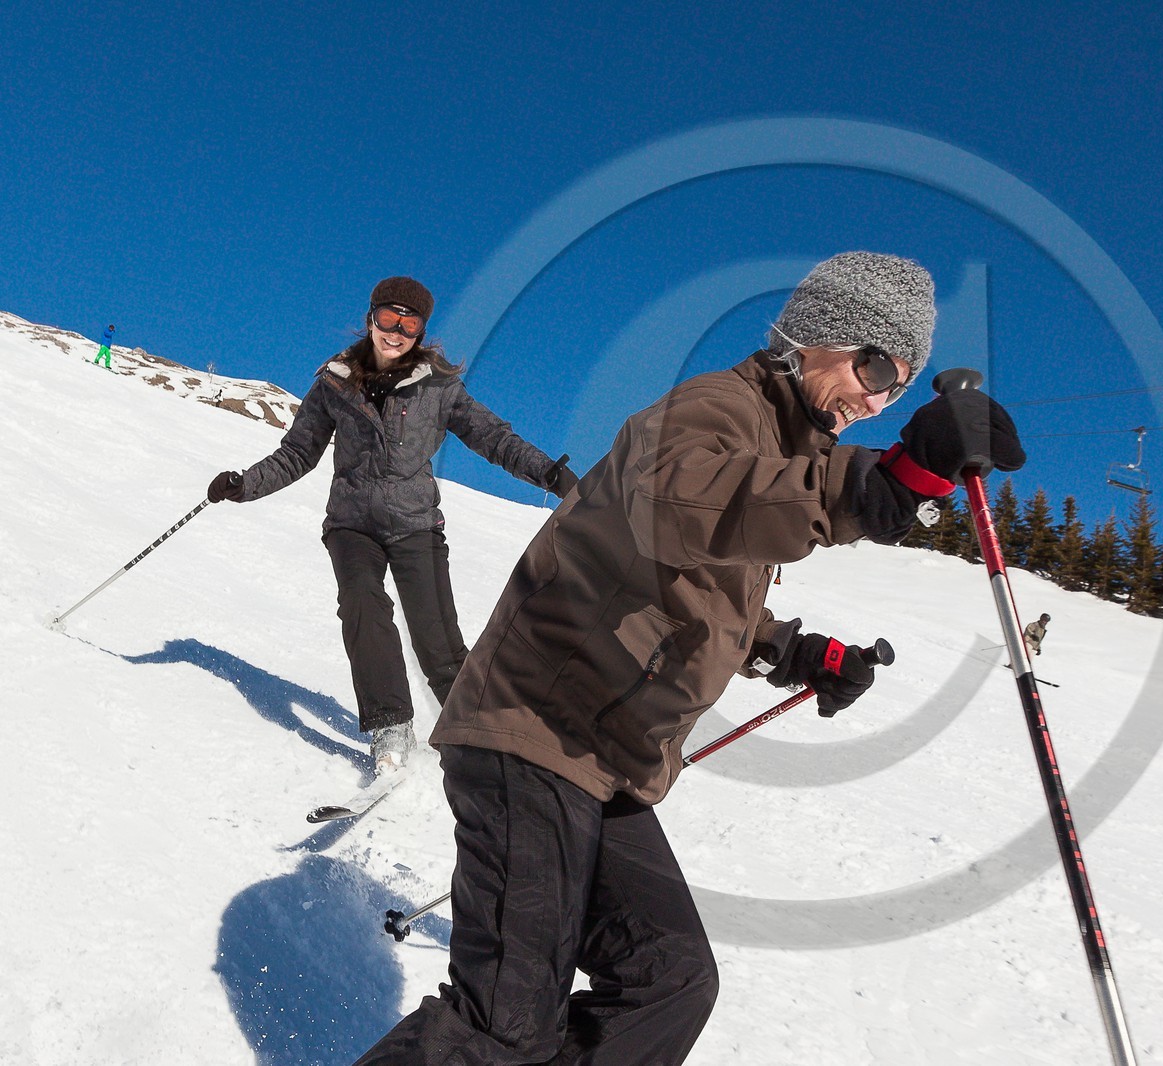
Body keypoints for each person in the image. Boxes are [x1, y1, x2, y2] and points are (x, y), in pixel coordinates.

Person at [355, 251, 1024, 1065]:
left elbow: (700, 598)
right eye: (873, 366)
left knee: (667, 982)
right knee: (505, 1020)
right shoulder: (715, 409)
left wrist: (799, 651)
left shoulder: (781, 446)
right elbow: (681, 505)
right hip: (535, 728)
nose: (875, 399)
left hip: (608, 763)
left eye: (896, 386)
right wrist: (871, 487)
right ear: (820, 335)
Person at [207, 277, 576, 773]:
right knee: (362, 605)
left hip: (414, 524)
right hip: (352, 523)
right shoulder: (335, 382)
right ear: (370, 319)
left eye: (410, 323)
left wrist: (549, 474)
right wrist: (244, 484)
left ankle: (476, 734)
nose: (396, 332)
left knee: (438, 641)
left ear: (421, 331)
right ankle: (391, 725)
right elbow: (298, 453)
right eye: (388, 319)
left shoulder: (440, 386)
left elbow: (493, 438)